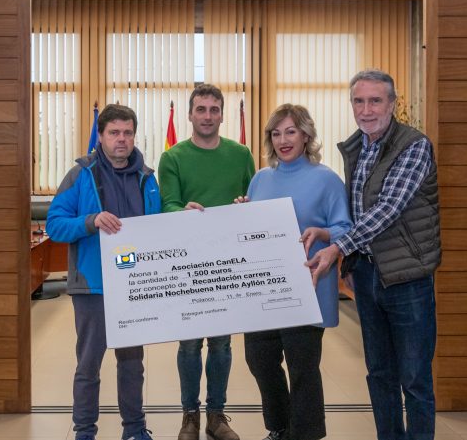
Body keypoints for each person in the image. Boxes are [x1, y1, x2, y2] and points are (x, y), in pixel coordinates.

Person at [307, 69, 442, 440]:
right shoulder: (358, 147)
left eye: (375, 100)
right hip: (367, 275)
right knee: (379, 374)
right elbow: (354, 213)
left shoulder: (413, 146)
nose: (366, 110)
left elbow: (388, 209)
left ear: (393, 104)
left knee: (414, 378)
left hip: (407, 278)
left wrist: (337, 248)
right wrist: (340, 247)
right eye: (358, 101)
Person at [235, 104, 351, 440]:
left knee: (302, 369)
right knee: (259, 360)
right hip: (264, 290)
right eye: (276, 132)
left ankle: (306, 433)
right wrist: (243, 214)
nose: (283, 139)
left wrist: (322, 232)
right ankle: (280, 427)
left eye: (291, 131)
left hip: (307, 287)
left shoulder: (326, 179)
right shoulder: (261, 178)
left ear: (306, 135)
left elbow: (346, 228)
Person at [46, 104, 161, 440]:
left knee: (132, 365)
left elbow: (158, 230)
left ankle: (135, 430)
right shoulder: (80, 174)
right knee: (88, 366)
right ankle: (84, 431)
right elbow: (55, 225)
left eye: (127, 132)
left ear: (134, 135)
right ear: (101, 135)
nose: (121, 139)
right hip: (92, 287)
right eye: (114, 132)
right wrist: (90, 221)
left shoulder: (148, 179)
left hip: (134, 286)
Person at [157, 84, 255, 440]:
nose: (208, 116)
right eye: (202, 109)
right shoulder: (173, 158)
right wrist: (181, 210)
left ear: (222, 114)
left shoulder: (241, 154)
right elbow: (166, 204)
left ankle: (216, 416)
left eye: (215, 109)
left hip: (228, 261)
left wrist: (246, 206)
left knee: (222, 343)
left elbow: (252, 202)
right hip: (186, 262)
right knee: (187, 344)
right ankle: (189, 416)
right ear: (190, 114)